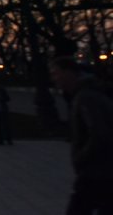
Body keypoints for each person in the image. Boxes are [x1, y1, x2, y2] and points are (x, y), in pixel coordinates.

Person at [50, 57, 113, 215]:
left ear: (69, 73)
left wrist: (80, 158)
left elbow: (100, 134)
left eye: (56, 74)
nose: (54, 79)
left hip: (96, 172)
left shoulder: (86, 97)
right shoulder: (88, 94)